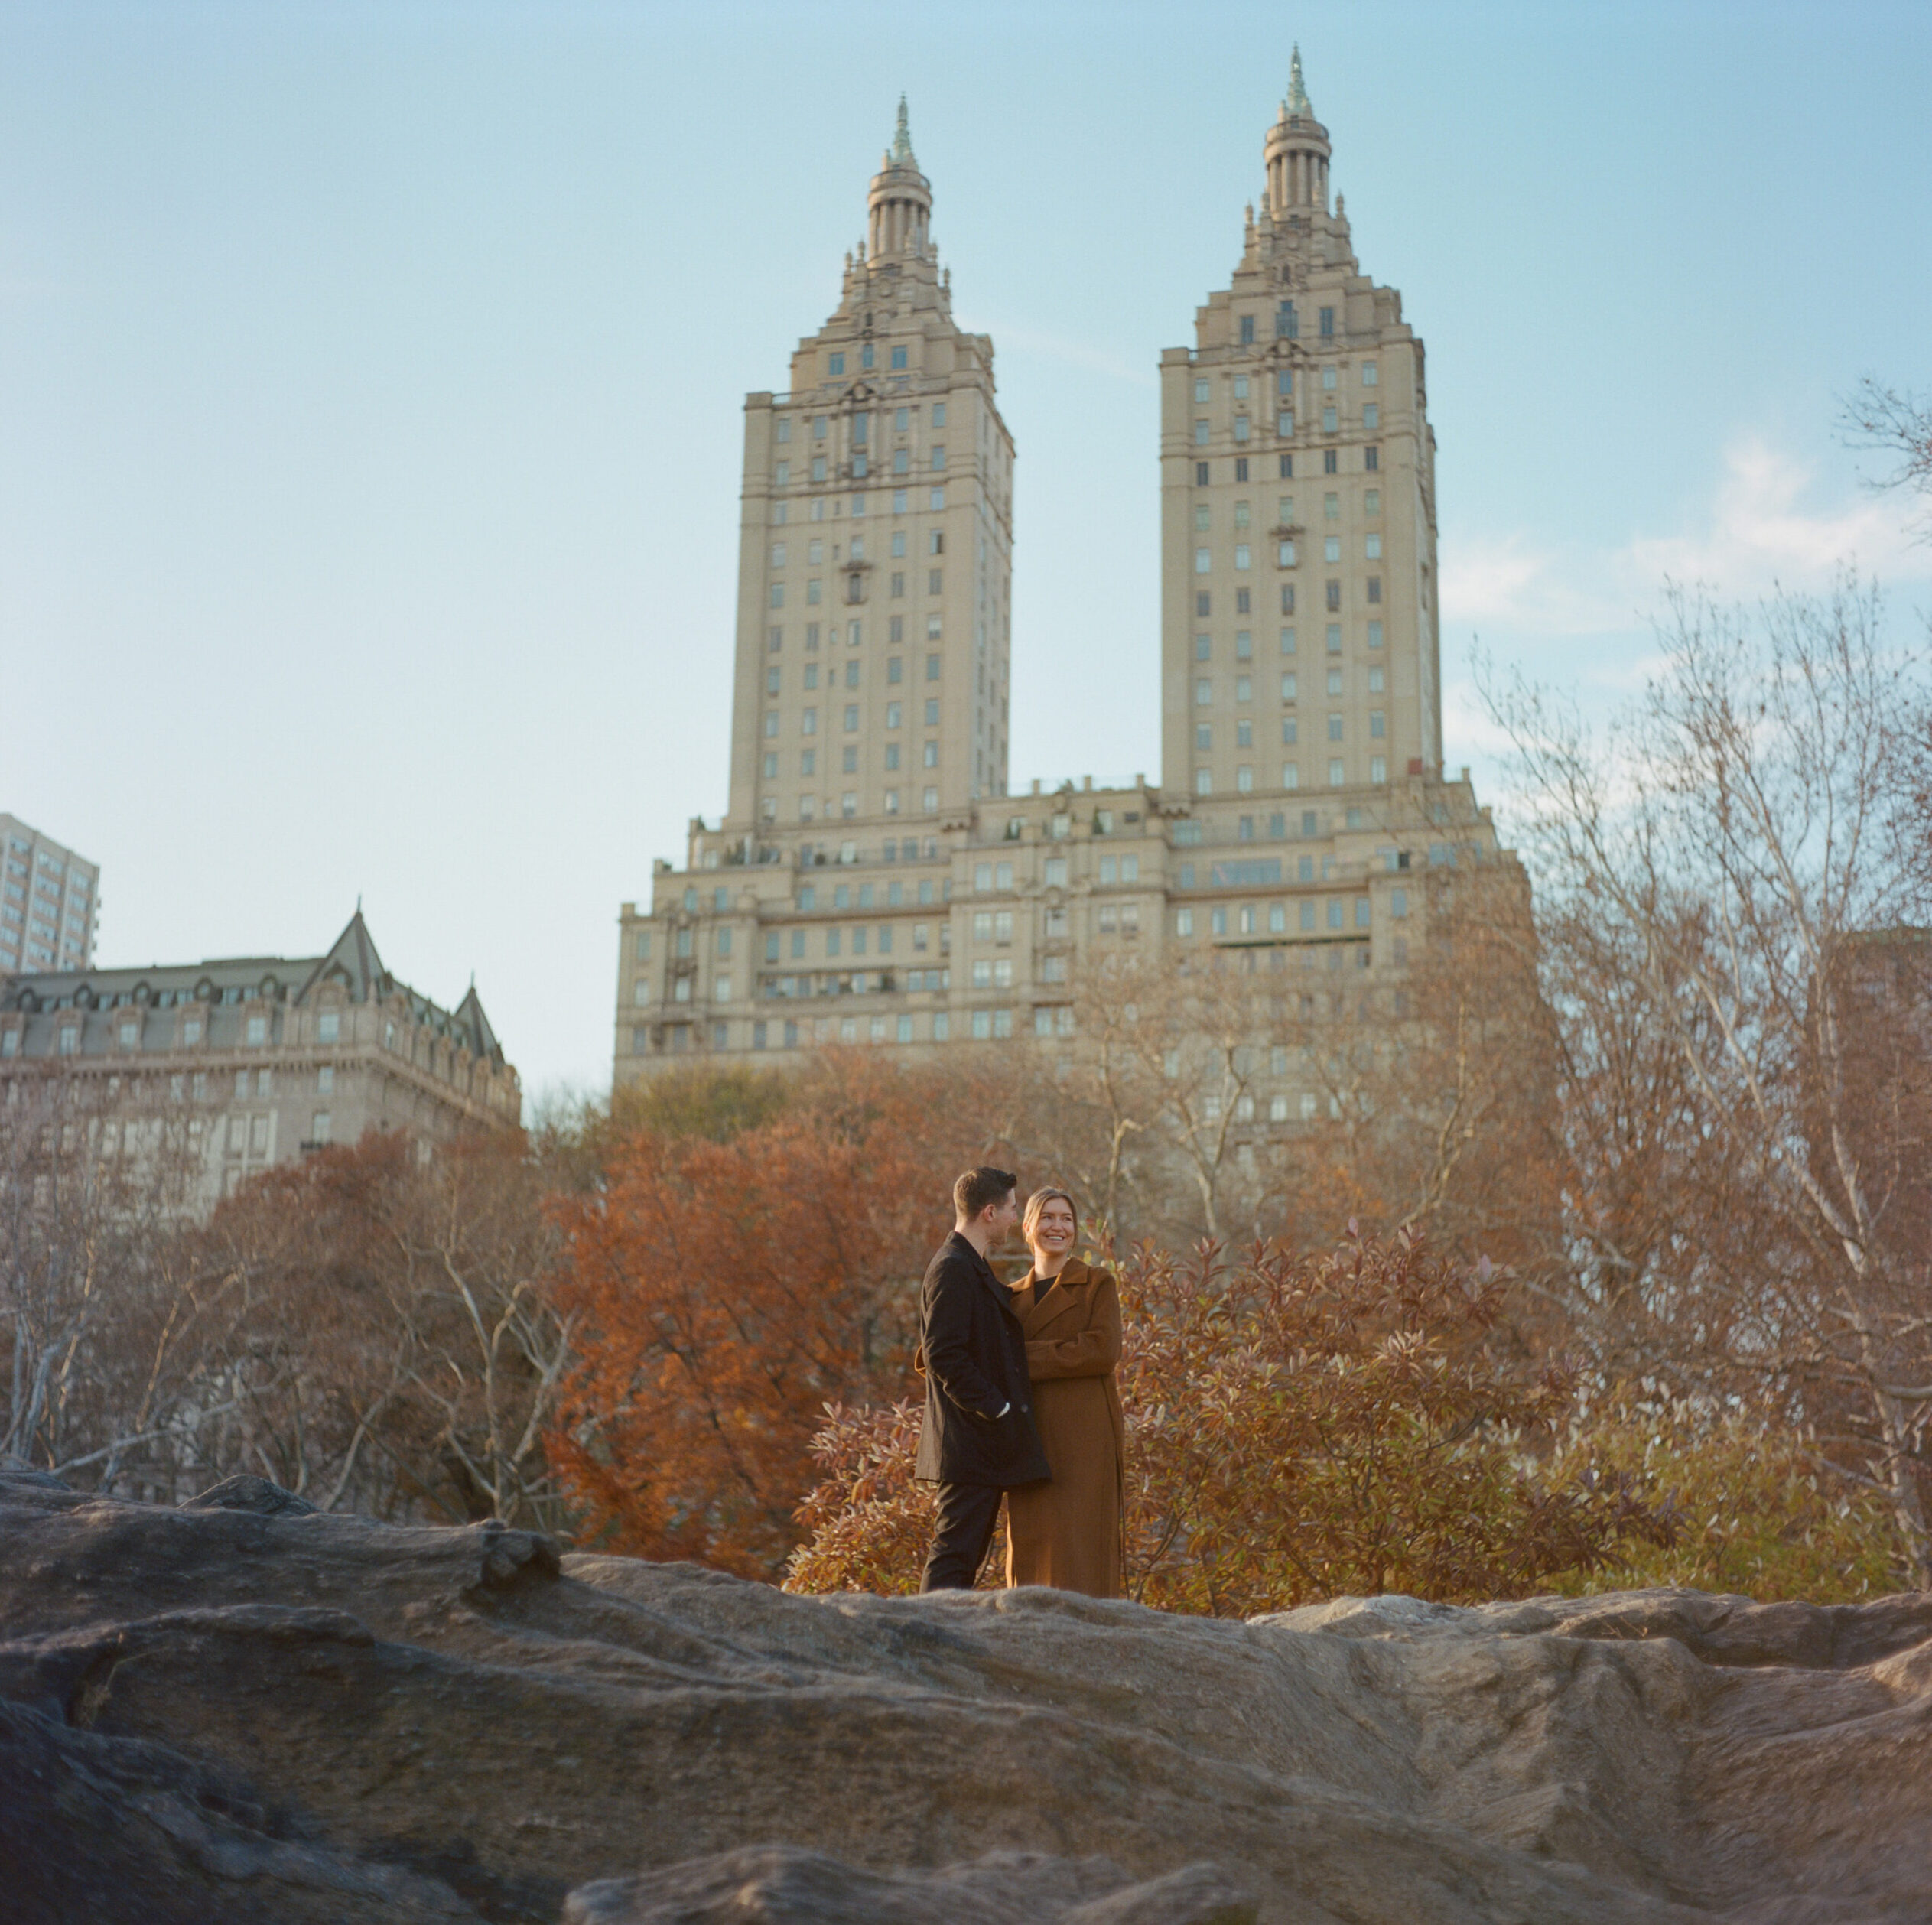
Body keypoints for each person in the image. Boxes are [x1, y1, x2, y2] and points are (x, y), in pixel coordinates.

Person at [913, 1166, 1051, 1592]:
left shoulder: (969, 1266)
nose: (1015, 1218)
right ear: (989, 1212)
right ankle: (925, 1645)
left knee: (962, 1559)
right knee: (954, 1557)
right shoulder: (953, 1269)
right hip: (968, 1445)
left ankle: (936, 1646)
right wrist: (998, 1406)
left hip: (977, 1446)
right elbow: (943, 1355)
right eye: (1012, 1209)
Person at [1003, 1187, 1126, 1598]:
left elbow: (1101, 1351)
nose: (1058, 1226)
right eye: (1048, 1217)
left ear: (1074, 1232)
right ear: (1027, 1227)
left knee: (1083, 1548)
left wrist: (1020, 1359)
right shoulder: (1008, 1298)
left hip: (1085, 1437)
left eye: (1066, 1219)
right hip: (1029, 1438)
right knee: (1032, 1546)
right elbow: (981, 1354)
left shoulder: (1097, 1283)